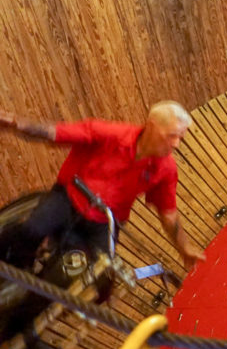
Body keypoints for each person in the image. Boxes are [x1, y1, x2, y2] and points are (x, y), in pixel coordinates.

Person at [0, 102, 206, 272]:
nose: (177, 144)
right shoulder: (111, 134)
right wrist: (16, 124)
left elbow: (168, 213)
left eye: (181, 137)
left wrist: (184, 248)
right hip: (70, 198)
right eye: (172, 135)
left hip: (104, 221)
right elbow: (55, 133)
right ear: (152, 126)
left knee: (99, 280)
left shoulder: (166, 168)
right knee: (31, 229)